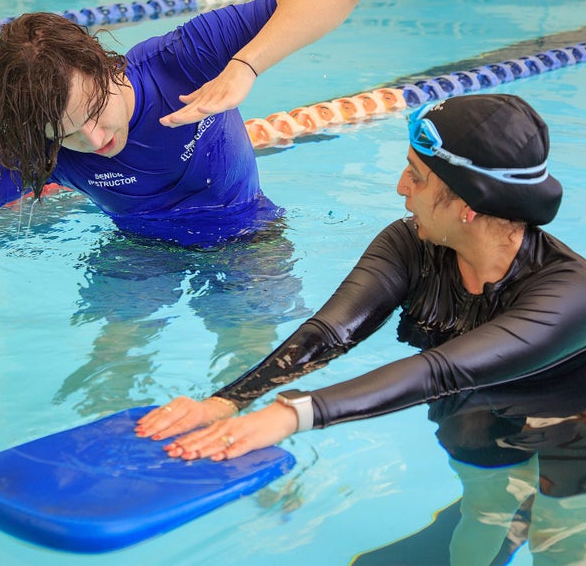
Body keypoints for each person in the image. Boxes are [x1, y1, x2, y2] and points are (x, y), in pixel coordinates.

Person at [135, 93, 586, 462]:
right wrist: (227, 400)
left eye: (417, 177)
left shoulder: (569, 293)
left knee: (555, 526)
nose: (401, 187)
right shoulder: (411, 243)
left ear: (470, 206)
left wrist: (290, 415)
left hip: (567, 428)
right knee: (475, 476)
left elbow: (439, 370)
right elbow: (330, 333)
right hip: (469, 410)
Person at [0, 0, 361, 257]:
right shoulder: (39, 150)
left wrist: (245, 66)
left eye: (93, 113)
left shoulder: (183, 60)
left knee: (252, 354)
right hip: (137, 253)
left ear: (103, 64)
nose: (92, 142)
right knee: (110, 366)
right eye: (64, 135)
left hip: (248, 236)